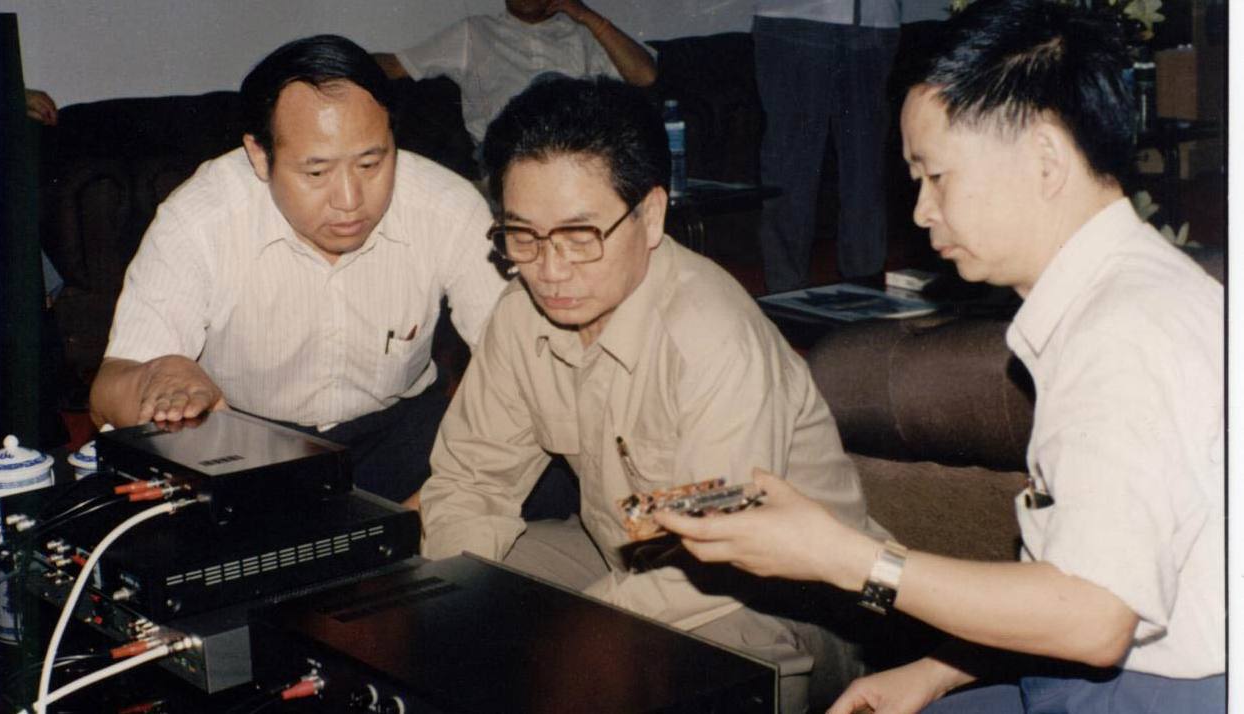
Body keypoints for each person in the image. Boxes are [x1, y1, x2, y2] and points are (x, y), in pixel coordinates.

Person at [658, 1, 1225, 711]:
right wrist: (937, 670)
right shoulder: (1125, 292)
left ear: (1046, 160)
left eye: (936, 176)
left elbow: (1093, 617)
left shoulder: (1120, 333)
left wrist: (842, 557)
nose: (922, 211)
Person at [418, 76, 885, 712]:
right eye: (522, 236)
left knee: (631, 672)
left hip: (775, 598)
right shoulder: (521, 316)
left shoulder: (711, 338)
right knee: (469, 589)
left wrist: (562, 635)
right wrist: (453, 610)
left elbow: (719, 559)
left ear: (652, 215)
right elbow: (470, 480)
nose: (550, 270)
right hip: (626, 560)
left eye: (580, 235)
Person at [89, 35, 506, 506]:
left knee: (546, 471)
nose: (349, 200)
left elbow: (519, 364)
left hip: (401, 433)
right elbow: (108, 392)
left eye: (371, 163)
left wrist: (438, 499)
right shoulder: (200, 219)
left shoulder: (445, 205)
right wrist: (158, 376)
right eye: (316, 173)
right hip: (254, 442)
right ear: (259, 155)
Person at [753, 0, 901, 292]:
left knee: (866, 171)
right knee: (791, 168)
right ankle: (786, 296)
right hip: (796, 19)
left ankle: (865, 295)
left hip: (875, 21)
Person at [372, 0, 656, 146]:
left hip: (576, 148)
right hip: (508, 152)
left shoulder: (582, 33)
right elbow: (395, 65)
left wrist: (586, 16)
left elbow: (645, 75)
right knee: (548, 86)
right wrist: (343, 60)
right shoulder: (475, 32)